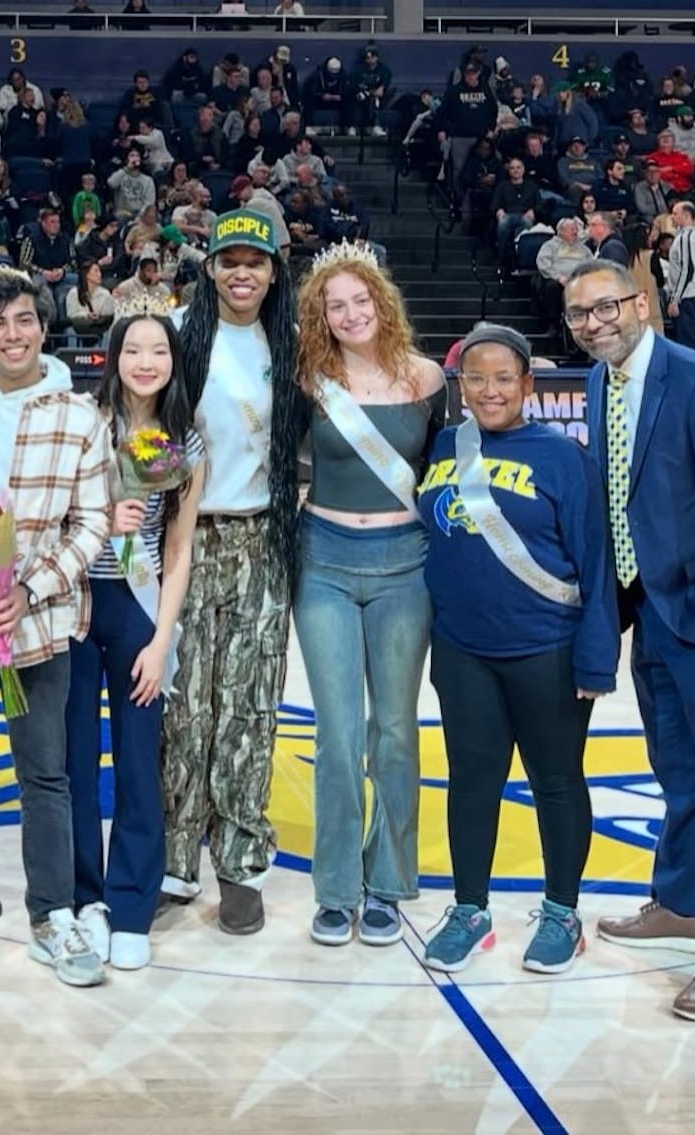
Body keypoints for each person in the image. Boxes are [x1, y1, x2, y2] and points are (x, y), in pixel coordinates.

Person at [563, 259, 695, 1022]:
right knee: (678, 768)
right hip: (649, 607)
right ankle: (684, 900)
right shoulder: (598, 381)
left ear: (642, 304)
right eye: (579, 314)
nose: (593, 323)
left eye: (605, 307)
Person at [0, 269, 112, 988]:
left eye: (26, 319)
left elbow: (93, 521)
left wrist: (28, 586)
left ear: (43, 325)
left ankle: (52, 915)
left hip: (35, 626)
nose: (14, 334)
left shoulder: (77, 412)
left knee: (46, 772)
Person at [415, 323, 618, 974]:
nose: (491, 389)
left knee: (556, 781)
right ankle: (470, 909)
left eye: (505, 377)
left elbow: (596, 559)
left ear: (528, 385)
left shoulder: (563, 457)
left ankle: (562, 911)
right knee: (471, 780)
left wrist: (596, 655)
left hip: (547, 649)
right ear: (460, 385)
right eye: (477, 377)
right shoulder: (446, 444)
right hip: (463, 650)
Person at [294, 242, 446, 948]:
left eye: (360, 300)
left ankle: (387, 881)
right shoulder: (307, 376)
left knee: (395, 729)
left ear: (380, 302)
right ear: (320, 315)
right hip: (323, 560)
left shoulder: (427, 378)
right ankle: (335, 890)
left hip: (403, 566)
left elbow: (444, 476)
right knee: (336, 731)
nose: (350, 314)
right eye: (335, 305)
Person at [160, 209, 305, 934]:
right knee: (185, 704)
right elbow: (146, 428)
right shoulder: (180, 334)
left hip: (261, 538)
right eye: (229, 260)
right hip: (186, 540)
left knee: (249, 707)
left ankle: (241, 860)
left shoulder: (293, 344)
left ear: (273, 270)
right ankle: (176, 857)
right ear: (210, 267)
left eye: (255, 260)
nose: (241, 271)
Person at [66, 312, 204, 972]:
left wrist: (161, 636)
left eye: (159, 350)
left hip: (136, 604)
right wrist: (100, 516)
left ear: (174, 360)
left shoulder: (183, 441)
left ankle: (129, 906)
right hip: (71, 601)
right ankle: (82, 899)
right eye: (133, 349)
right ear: (112, 355)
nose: (145, 361)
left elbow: (176, 550)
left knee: (137, 758)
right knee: (70, 758)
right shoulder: (80, 420)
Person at [663, 201, 695, 351]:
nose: (672, 217)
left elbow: (687, 269)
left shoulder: (687, 237)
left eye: (675, 214)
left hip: (688, 297)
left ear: (686, 216)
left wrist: (675, 299)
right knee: (694, 341)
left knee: (687, 344)